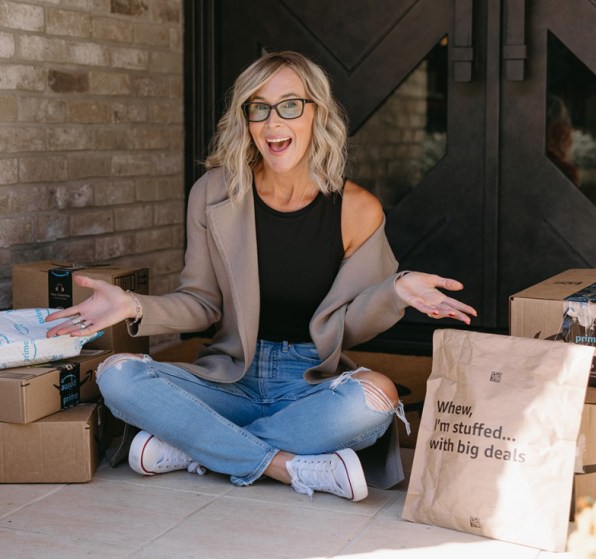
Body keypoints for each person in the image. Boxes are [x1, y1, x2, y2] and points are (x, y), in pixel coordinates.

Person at [46, 51, 476, 502]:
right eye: (259, 107)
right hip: (229, 376)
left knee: (377, 398)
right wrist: (134, 306)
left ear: (317, 113)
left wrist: (397, 290)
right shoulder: (213, 194)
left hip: (306, 382)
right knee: (117, 377)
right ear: (246, 119)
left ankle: (196, 448)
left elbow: (350, 326)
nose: (274, 123)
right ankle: (284, 465)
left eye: (290, 105)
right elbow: (202, 304)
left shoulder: (356, 210)